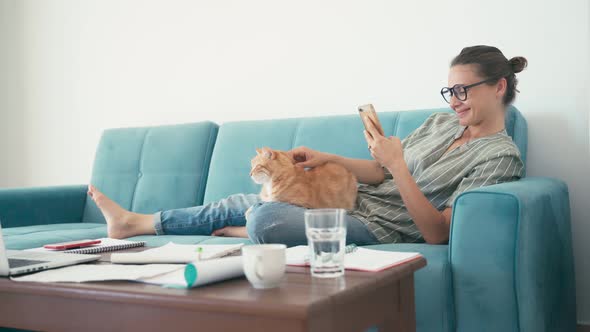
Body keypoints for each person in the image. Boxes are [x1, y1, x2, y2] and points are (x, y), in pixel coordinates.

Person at [87, 45, 527, 247]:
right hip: (351, 202)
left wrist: (399, 166)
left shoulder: (499, 157)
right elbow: (378, 173)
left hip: (379, 228)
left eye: (463, 91)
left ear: (499, 86)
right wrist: (329, 158)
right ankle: (134, 224)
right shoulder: (437, 123)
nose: (454, 102)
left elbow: (437, 233)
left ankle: (251, 228)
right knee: (251, 198)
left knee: (265, 215)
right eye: (449, 92)